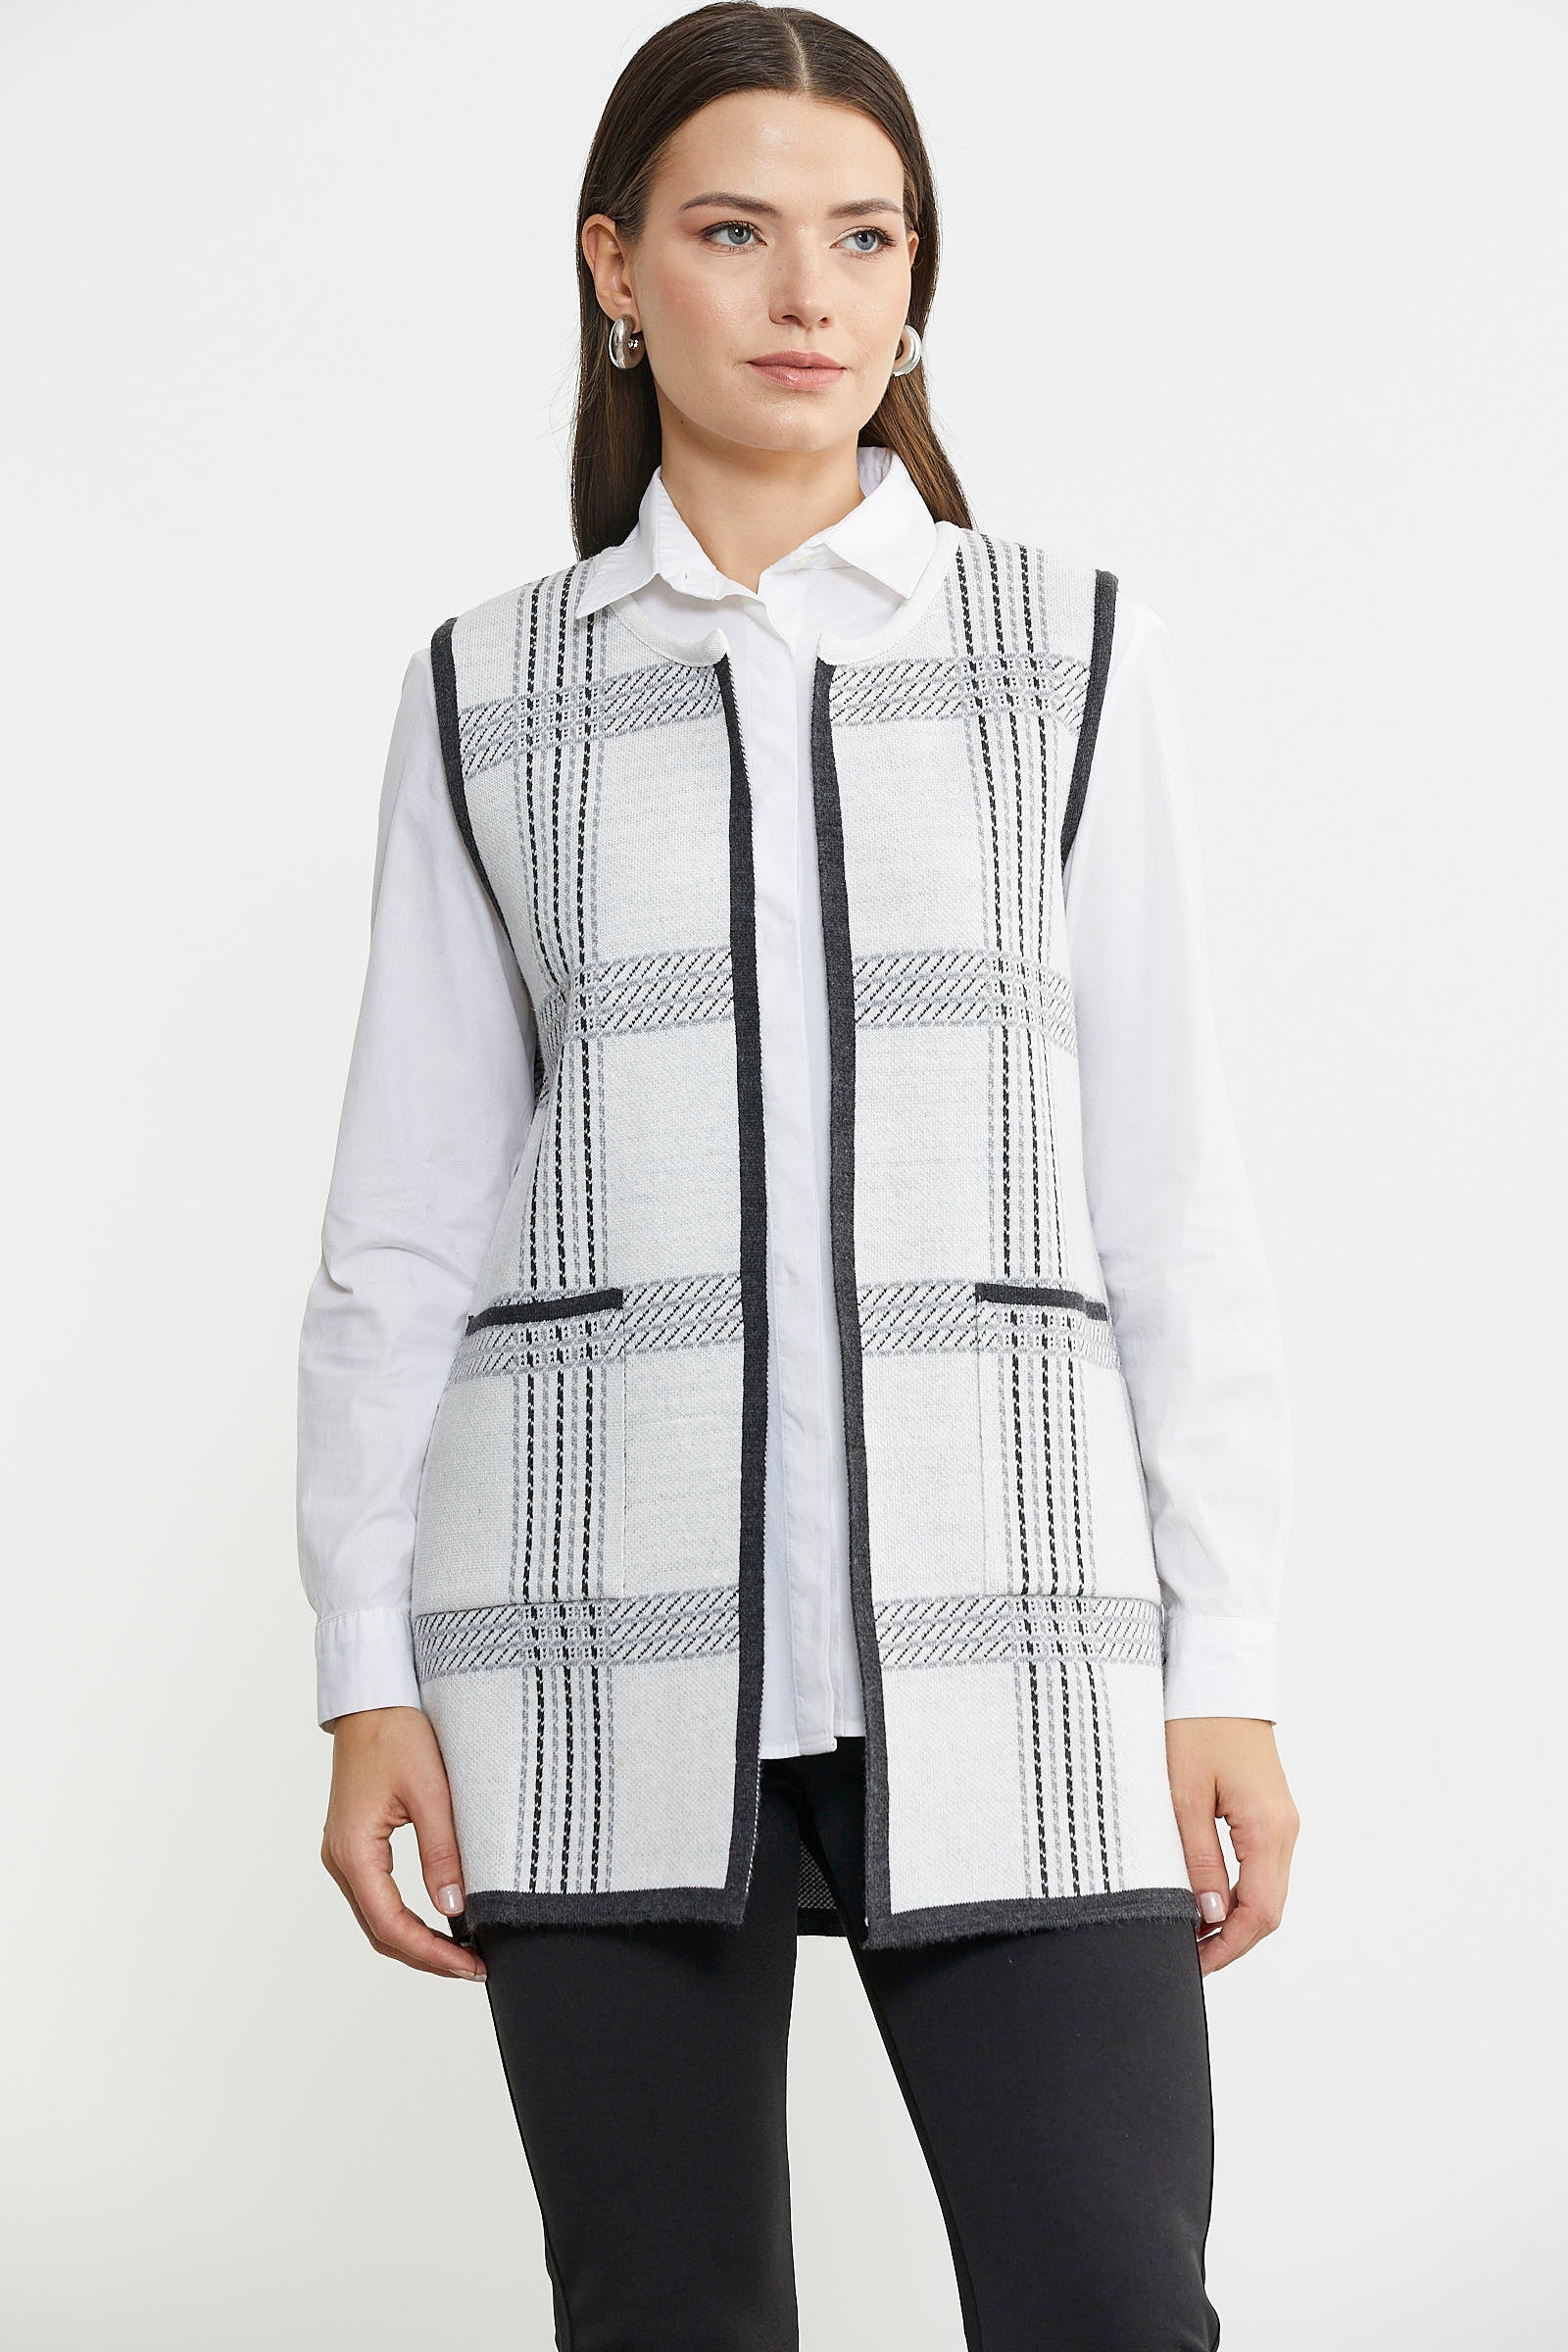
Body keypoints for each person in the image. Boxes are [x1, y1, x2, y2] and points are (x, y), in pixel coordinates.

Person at [296, 7, 1299, 2345]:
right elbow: (403, 1225)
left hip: (1021, 1624)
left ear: (916, 281)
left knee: (1106, 2303)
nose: (805, 296)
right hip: (579, 1631)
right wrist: (362, 1667)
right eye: (734, 232)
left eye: (863, 238)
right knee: (660, 2316)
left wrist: (1222, 1659)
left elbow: (1165, 1186)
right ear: (614, 270)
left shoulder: (1065, 652)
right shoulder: (485, 691)